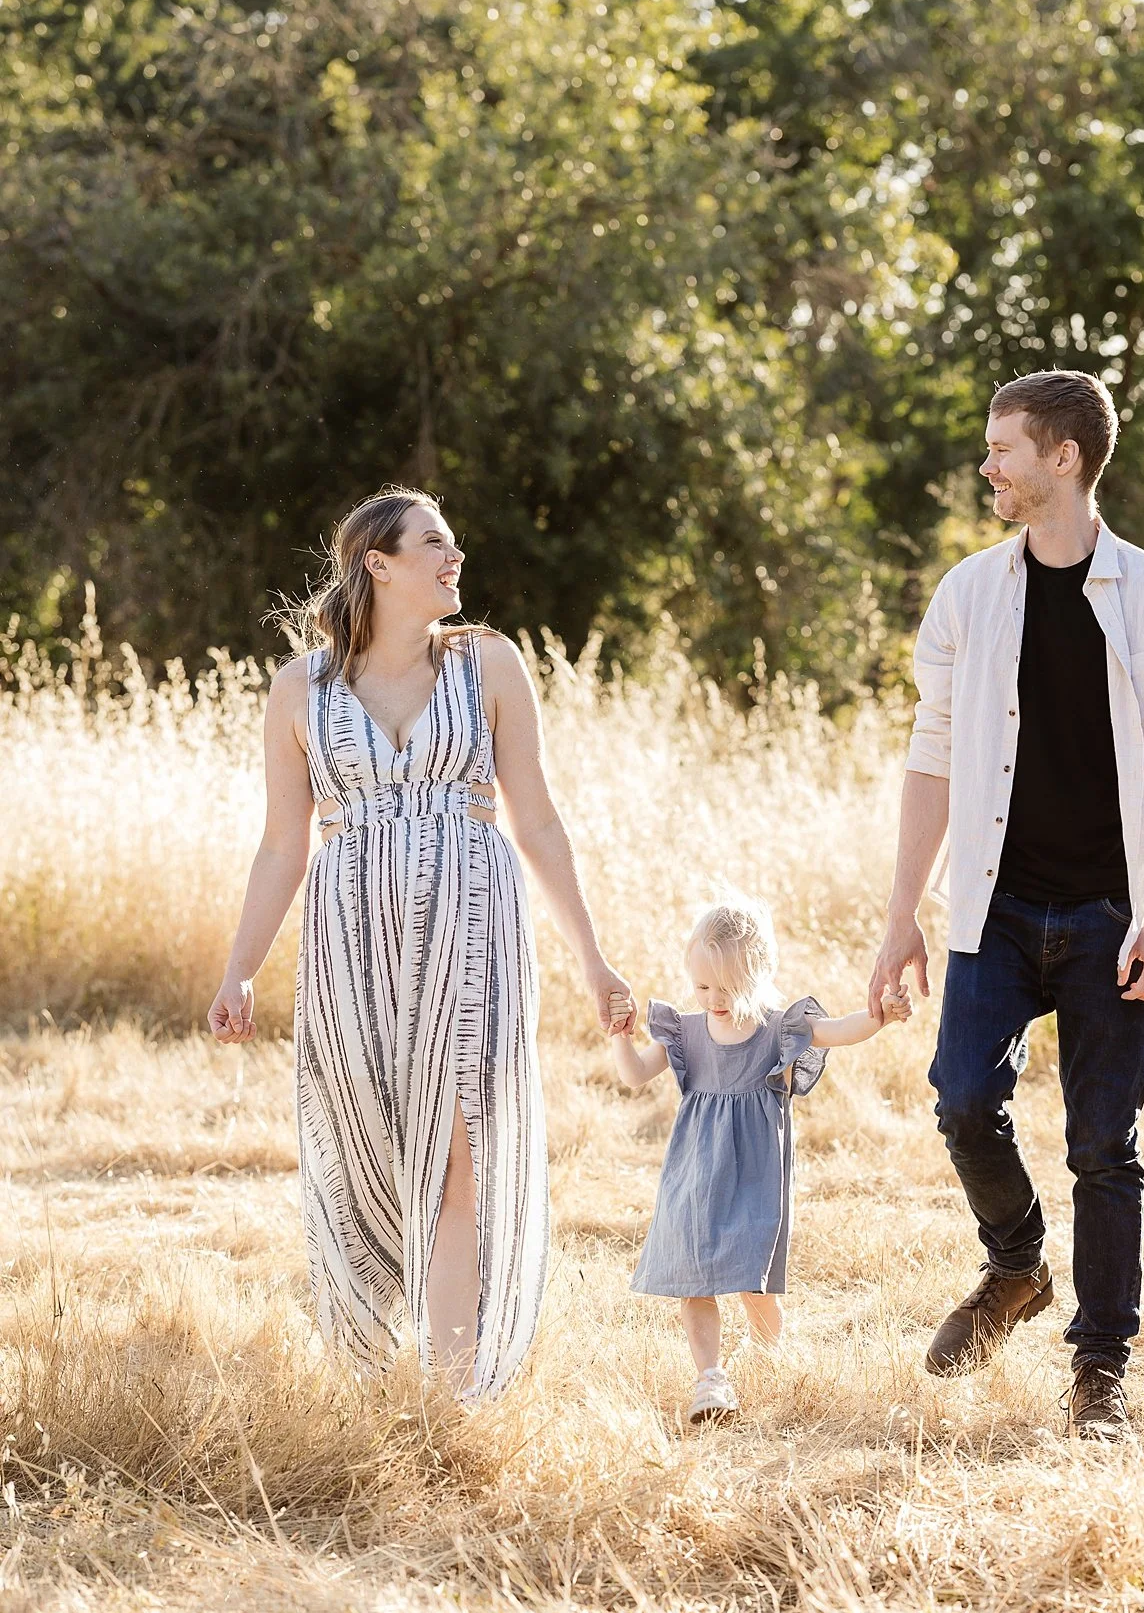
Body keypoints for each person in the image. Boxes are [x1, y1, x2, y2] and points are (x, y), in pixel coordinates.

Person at [209, 485, 635, 1396]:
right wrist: (239, 970)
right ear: (379, 564)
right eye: (435, 544)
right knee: (365, 1149)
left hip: (472, 924)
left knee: (456, 1155)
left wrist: (592, 960)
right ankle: (365, 1376)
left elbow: (540, 823)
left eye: (455, 545)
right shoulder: (301, 688)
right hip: (347, 937)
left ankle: (455, 1397)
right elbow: (283, 844)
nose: (456, 560)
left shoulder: (488, 664)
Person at [867, 371, 1144, 1440]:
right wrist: (901, 914)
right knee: (963, 1101)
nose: (989, 466)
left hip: (1113, 916)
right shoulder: (969, 594)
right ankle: (1016, 1265)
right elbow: (929, 761)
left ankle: (1100, 1370)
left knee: (1103, 1148)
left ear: (1063, 457)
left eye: (1004, 447)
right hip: (996, 906)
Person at [613, 892, 911, 1423]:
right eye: (703, 986)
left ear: (757, 974)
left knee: (754, 1277)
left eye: (726, 988)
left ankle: (771, 1361)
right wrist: (619, 1037)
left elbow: (840, 1030)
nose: (713, 998)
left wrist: (881, 1016)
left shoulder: (779, 1028)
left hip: (755, 1175)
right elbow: (635, 1074)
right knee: (695, 1276)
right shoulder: (684, 1030)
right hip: (696, 1171)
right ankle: (710, 1380)